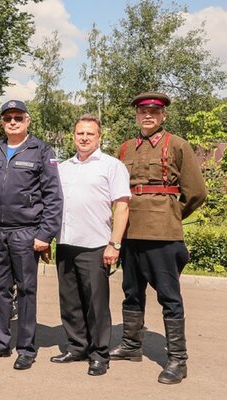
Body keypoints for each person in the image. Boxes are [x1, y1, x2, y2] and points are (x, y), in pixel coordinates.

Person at [110, 92, 206, 385]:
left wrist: (171, 212)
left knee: (169, 296)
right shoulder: (125, 148)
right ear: (136, 115)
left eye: (154, 111)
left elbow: (197, 192)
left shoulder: (177, 145)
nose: (148, 115)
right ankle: (131, 345)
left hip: (163, 233)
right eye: (143, 111)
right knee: (131, 291)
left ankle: (178, 359)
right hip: (130, 232)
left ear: (163, 115)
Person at [0, 100, 63, 370]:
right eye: (7, 118)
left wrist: (45, 234)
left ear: (27, 121)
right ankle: (0, 342)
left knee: (26, 290)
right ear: (2, 123)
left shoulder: (41, 151)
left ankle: (25, 347)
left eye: (17, 117)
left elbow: (53, 196)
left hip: (26, 233)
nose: (12, 122)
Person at [54, 114, 131, 376]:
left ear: (99, 137)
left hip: (96, 244)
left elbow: (121, 207)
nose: (84, 137)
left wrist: (115, 244)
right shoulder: (63, 167)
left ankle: (99, 354)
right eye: (80, 133)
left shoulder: (112, 166)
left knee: (96, 305)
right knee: (70, 301)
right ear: (72, 136)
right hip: (65, 243)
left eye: (90, 133)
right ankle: (77, 347)